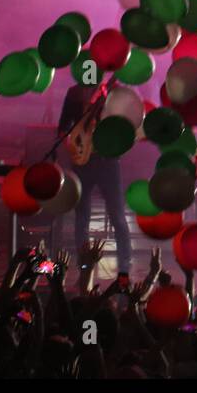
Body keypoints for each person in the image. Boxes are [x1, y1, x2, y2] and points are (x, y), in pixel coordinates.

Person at [59, 83, 132, 276]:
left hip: (108, 161)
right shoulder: (74, 93)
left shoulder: (114, 92)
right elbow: (62, 128)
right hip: (83, 162)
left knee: (117, 216)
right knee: (82, 216)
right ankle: (84, 266)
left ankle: (124, 268)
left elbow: (126, 126)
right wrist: (73, 146)